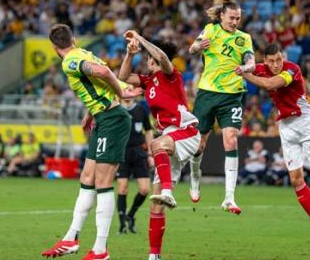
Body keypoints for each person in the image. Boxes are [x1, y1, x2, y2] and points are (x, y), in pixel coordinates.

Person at [41, 24, 140, 260]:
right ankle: (70, 238)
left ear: (54, 47)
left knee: (103, 182)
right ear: (73, 39)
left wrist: (122, 92)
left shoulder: (70, 61)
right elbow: (97, 86)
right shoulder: (83, 52)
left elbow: (104, 74)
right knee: (87, 178)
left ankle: (100, 250)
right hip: (102, 117)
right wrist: (90, 113)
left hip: (113, 119)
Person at [241, 43, 310, 245]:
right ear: (265, 60)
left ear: (282, 56)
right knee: (295, 179)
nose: (276, 64)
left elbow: (270, 85)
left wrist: (243, 73)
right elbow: (248, 65)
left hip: (305, 121)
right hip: (286, 127)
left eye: (279, 59)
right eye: (271, 61)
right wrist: (244, 65)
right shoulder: (262, 68)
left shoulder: (292, 68)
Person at [119, 30, 200, 260]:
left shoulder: (170, 74)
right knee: (155, 205)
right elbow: (124, 77)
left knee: (156, 145)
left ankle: (168, 191)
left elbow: (164, 59)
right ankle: (154, 256)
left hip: (186, 130)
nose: (147, 61)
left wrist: (143, 40)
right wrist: (129, 53)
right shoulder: (147, 81)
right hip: (170, 137)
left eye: (148, 58)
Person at [188, 0, 255, 213]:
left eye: (238, 18)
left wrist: (246, 68)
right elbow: (191, 48)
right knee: (199, 145)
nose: (235, 22)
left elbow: (251, 61)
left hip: (232, 94)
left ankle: (229, 197)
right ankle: (195, 179)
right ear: (222, 16)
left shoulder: (244, 38)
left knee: (231, 139)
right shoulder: (210, 29)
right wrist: (198, 47)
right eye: (232, 18)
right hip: (207, 92)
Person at [116, 97, 153, 234]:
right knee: (122, 187)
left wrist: (150, 153)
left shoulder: (141, 109)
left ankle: (130, 215)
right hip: (122, 152)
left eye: (131, 89)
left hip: (139, 152)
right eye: (125, 88)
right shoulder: (116, 109)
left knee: (144, 189)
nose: (128, 92)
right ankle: (122, 225)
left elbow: (148, 131)